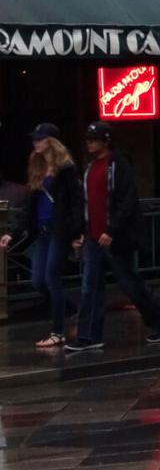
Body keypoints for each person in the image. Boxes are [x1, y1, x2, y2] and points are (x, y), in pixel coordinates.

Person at [68, 122, 160, 352]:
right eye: (88, 139)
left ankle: (158, 317)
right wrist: (82, 232)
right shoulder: (90, 166)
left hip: (114, 237)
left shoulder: (117, 164)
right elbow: (87, 203)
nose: (89, 143)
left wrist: (112, 230)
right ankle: (88, 336)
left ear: (106, 141)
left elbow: (126, 201)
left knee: (129, 283)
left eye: (93, 139)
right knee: (90, 287)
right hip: (93, 237)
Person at [0, 124, 82, 348]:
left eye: (40, 138)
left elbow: (76, 202)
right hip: (43, 233)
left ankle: (58, 331)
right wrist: (12, 234)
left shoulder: (66, 169)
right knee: (38, 280)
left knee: (50, 279)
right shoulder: (36, 166)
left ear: (52, 141)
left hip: (59, 231)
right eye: (34, 138)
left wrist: (77, 232)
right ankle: (73, 309)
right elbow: (29, 207)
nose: (35, 142)